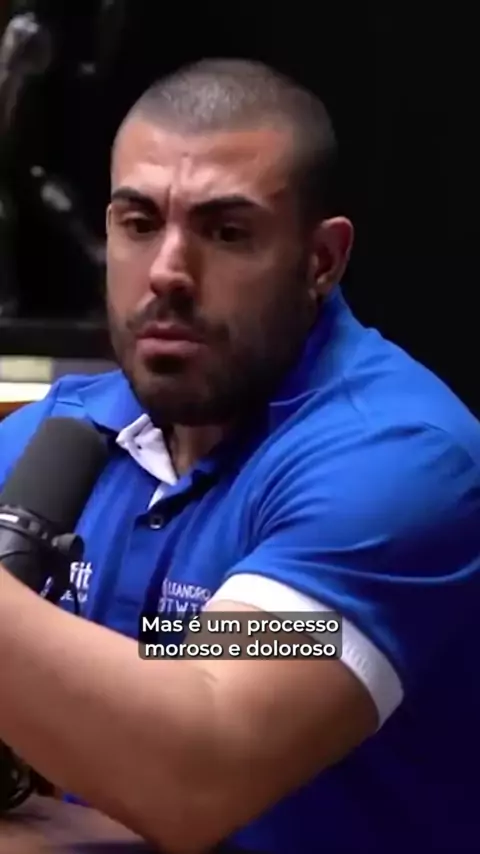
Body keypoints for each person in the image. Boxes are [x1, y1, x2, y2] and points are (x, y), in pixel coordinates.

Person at [0, 58, 479, 854]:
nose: (167, 272)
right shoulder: (52, 439)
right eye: (138, 223)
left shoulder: (400, 463)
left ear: (321, 260)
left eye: (226, 232)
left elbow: (195, 770)